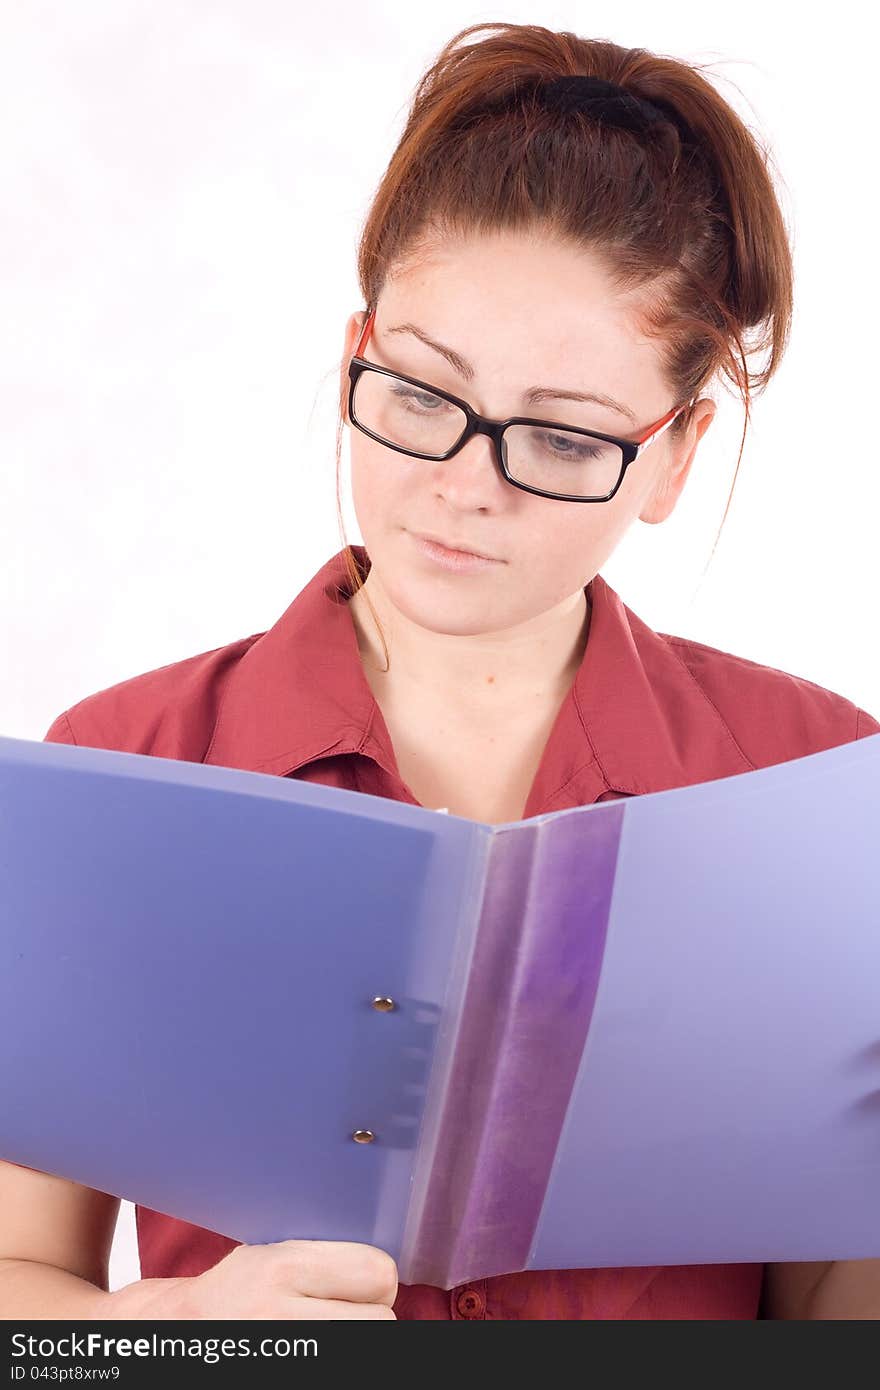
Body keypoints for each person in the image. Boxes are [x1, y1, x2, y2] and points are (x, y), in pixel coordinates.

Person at [2, 20, 879, 1322]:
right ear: (358, 349)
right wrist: (164, 1332)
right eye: (419, 393)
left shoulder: (816, 781)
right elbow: (22, 1285)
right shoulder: (124, 758)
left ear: (677, 451)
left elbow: (835, 1303)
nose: (462, 488)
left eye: (565, 437)